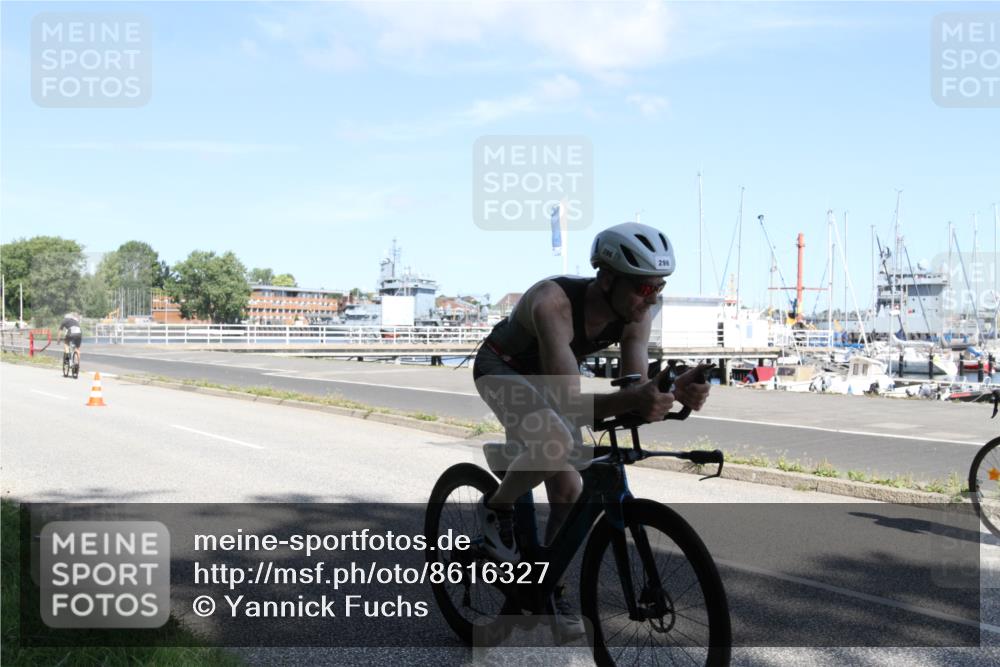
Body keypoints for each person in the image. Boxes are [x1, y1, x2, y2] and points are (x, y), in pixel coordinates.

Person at [472, 222, 710, 638]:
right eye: (644, 288)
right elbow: (571, 403)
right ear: (607, 279)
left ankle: (545, 589)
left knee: (569, 491)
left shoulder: (637, 313)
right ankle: (497, 506)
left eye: (659, 287)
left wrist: (670, 390)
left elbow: (632, 388)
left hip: (550, 376)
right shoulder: (553, 304)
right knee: (555, 443)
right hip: (503, 368)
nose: (652, 298)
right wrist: (636, 399)